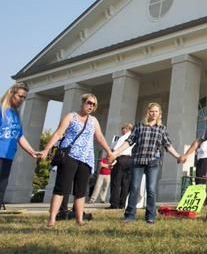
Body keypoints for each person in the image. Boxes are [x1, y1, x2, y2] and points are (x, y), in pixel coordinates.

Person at [40, 93, 113, 227]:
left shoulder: (93, 121)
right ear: (83, 103)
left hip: (86, 158)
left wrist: (109, 152)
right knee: (62, 188)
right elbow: (58, 133)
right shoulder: (71, 116)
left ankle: (79, 220)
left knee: (80, 191)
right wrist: (46, 149)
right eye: (89, 103)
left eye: (94, 105)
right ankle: (52, 219)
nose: (91, 106)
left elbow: (100, 137)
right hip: (69, 156)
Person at [109, 103, 181, 224]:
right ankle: (130, 215)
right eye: (152, 111)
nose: (154, 114)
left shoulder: (161, 129)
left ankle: (151, 216)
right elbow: (129, 141)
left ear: (159, 114)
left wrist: (178, 156)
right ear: (148, 112)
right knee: (135, 187)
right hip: (138, 161)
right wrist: (115, 153)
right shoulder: (139, 126)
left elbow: (168, 145)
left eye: (156, 111)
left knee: (151, 189)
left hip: (153, 162)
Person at [0, 82, 39, 208]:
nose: (22, 100)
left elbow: (19, 136)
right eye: (20, 96)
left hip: (8, 156)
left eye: (24, 97)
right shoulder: (1, 110)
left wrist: (32, 152)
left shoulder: (16, 114)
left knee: (2, 185)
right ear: (11, 94)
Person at [107, 123, 134, 209]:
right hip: (130, 160)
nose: (122, 130)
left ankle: (114, 203)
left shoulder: (123, 138)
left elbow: (116, 149)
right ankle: (122, 203)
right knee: (126, 183)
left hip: (121, 159)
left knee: (116, 182)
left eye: (123, 128)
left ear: (126, 129)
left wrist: (111, 160)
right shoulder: (135, 137)